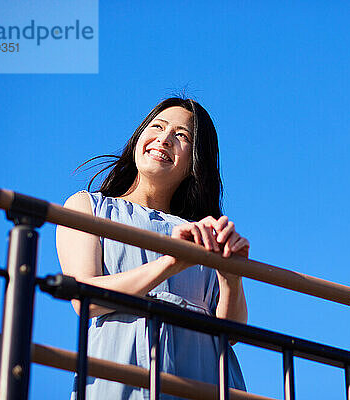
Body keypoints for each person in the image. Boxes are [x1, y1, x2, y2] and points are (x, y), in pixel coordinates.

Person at [56, 97, 249, 399]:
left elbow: (232, 331)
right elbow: (84, 298)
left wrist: (231, 274)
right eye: (157, 127)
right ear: (138, 138)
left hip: (206, 376)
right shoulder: (88, 207)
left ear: (195, 162)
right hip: (121, 368)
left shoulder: (202, 231)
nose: (165, 139)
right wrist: (170, 263)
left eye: (182, 136)